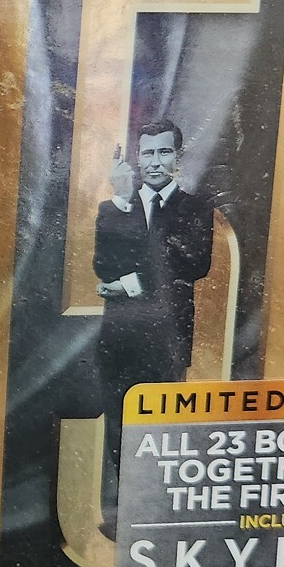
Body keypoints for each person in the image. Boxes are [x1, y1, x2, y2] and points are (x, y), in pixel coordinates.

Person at [93, 119, 215, 483]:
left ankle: (152, 505)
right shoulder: (115, 207)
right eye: (148, 153)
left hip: (167, 340)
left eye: (164, 152)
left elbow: (193, 264)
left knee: (161, 436)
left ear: (178, 157)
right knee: (119, 437)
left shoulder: (195, 209)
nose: (155, 162)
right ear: (136, 158)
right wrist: (120, 199)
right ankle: (125, 507)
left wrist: (130, 283)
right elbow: (104, 266)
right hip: (120, 340)